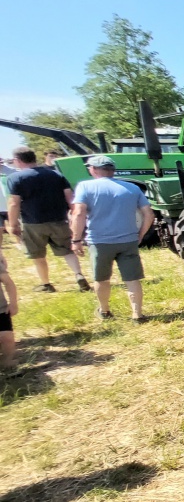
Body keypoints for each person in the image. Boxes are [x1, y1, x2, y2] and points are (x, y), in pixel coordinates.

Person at [70, 155, 154, 321]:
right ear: (112, 170)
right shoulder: (132, 188)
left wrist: (76, 239)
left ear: (93, 169)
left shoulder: (85, 187)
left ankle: (105, 311)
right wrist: (141, 234)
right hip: (128, 240)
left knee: (101, 278)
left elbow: (78, 213)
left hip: (99, 241)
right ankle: (137, 314)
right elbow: (149, 214)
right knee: (132, 278)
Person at [6, 146, 91, 293]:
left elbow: (14, 203)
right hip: (59, 220)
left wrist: (13, 224)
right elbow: (70, 197)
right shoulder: (55, 175)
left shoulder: (15, 178)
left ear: (17, 160)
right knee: (67, 251)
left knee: (38, 255)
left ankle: (46, 284)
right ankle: (79, 275)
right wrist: (74, 216)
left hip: (32, 223)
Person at [0, 241, 18, 370]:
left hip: (0, 307)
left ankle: (7, 363)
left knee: (7, 338)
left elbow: (8, 283)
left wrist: (13, 303)